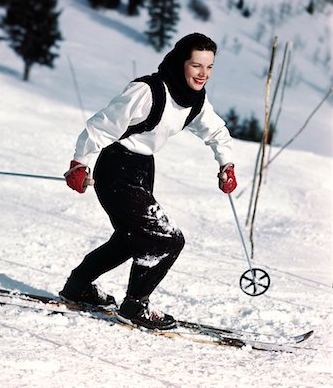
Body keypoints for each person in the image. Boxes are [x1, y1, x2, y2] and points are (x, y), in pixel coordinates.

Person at [61, 33, 237, 330]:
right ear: (181, 62)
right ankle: (135, 305)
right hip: (116, 168)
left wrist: (226, 163)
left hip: (143, 167)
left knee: (130, 238)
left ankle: (78, 286)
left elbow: (216, 131)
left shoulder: (193, 99)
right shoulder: (147, 91)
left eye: (209, 67)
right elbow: (100, 126)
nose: (203, 74)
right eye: (196, 65)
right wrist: (80, 163)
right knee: (167, 239)